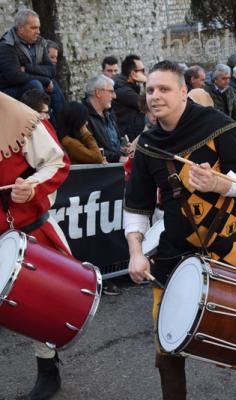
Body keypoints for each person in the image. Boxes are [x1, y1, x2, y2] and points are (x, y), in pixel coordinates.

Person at [124, 60, 236, 400]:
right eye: (151, 89)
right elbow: (136, 207)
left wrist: (222, 183)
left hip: (229, 248)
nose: (155, 96)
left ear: (184, 92)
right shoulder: (147, 145)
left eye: (164, 89)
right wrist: (137, 253)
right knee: (166, 343)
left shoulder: (218, 127)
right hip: (174, 255)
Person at [0, 92, 70, 399]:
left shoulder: (19, 117)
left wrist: (31, 188)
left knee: (39, 310)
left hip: (24, 232)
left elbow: (57, 162)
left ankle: (48, 371)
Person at [0, 9, 64, 120]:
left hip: (29, 82)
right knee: (35, 85)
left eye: (38, 27)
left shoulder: (39, 42)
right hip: (8, 93)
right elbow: (14, 76)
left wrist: (28, 68)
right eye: (34, 28)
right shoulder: (7, 45)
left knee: (54, 86)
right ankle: (39, 125)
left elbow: (51, 70)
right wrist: (44, 80)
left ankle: (60, 129)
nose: (38, 31)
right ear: (20, 29)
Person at [82, 74, 128, 163]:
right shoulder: (83, 116)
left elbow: (114, 144)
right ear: (98, 93)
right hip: (101, 172)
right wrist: (117, 157)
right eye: (111, 91)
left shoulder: (109, 113)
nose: (114, 96)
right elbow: (90, 149)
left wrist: (124, 149)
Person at [113, 55, 146, 141]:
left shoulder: (128, 88)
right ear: (133, 73)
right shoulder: (124, 92)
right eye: (142, 70)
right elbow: (148, 104)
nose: (144, 73)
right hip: (128, 140)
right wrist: (146, 82)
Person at [204, 63, 236, 133]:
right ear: (215, 79)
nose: (227, 81)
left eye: (228, 78)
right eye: (224, 78)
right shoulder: (207, 90)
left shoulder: (229, 90)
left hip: (227, 126)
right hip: (213, 129)